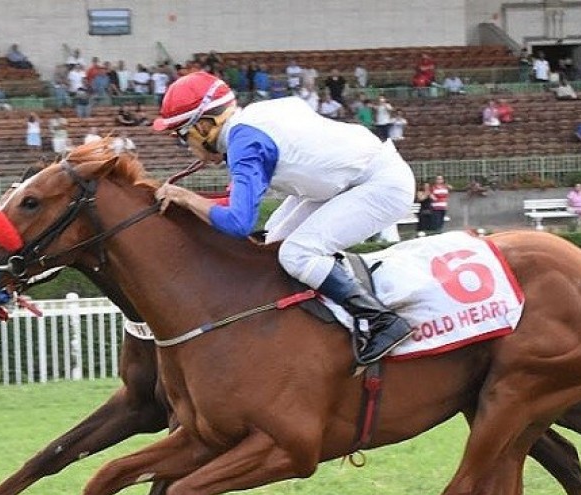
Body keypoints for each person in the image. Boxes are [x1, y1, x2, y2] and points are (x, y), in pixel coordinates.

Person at [151, 71, 414, 364]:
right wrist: (185, 200)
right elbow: (236, 205)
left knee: (297, 253)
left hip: (379, 184)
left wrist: (186, 198)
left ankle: (381, 320)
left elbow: (238, 223)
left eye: (182, 135)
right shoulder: (249, 125)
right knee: (273, 241)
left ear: (204, 125)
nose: (184, 145)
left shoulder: (245, 142)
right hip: (345, 181)